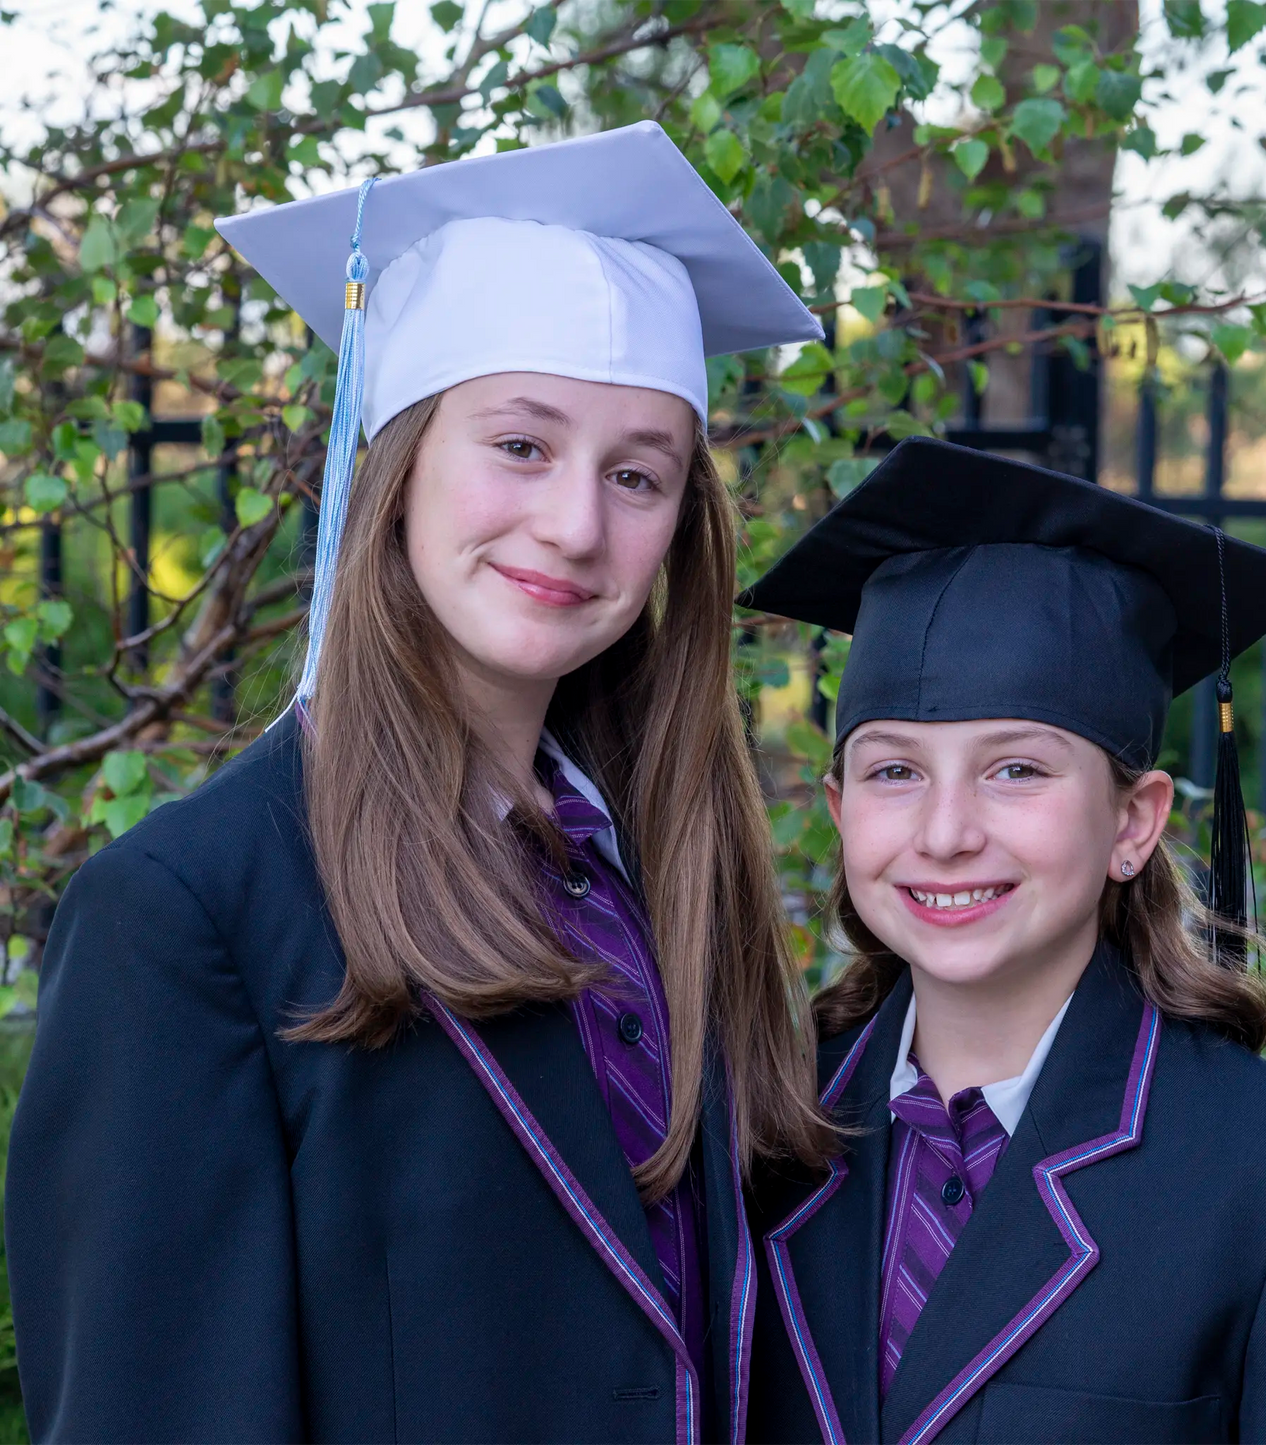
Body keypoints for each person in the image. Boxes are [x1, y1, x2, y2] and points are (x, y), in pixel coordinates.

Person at [6, 122, 833, 1445]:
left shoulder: (669, 885)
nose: (575, 524)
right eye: (521, 444)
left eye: (638, 475)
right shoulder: (189, 916)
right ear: (394, 468)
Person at [741, 436, 1266, 1445]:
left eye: (1015, 769)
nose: (944, 833)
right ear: (837, 805)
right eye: (894, 771)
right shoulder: (758, 1127)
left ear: (1132, 821)